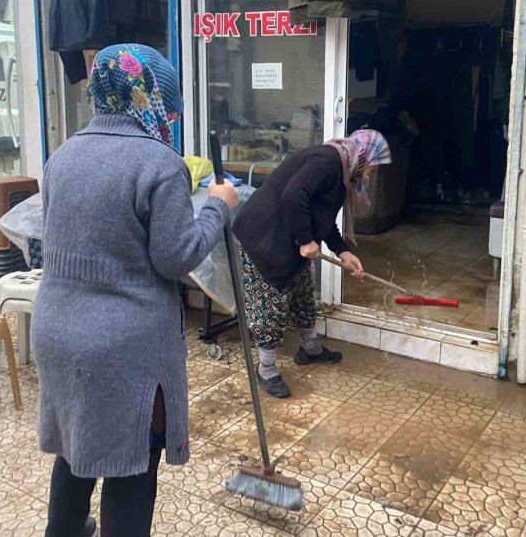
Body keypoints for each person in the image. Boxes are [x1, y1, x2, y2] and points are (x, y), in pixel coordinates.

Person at [31, 44, 238, 537]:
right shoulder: (158, 162)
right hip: (122, 349)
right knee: (131, 464)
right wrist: (218, 207)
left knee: (74, 450)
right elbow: (177, 255)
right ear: (149, 97)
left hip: (57, 334)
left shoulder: (62, 156)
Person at [233, 129, 392, 398]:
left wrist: (343, 251)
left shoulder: (342, 170)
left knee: (303, 292)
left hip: (288, 234)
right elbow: (295, 194)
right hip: (263, 237)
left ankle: (309, 348)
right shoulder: (329, 161)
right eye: (374, 168)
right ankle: (266, 369)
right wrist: (306, 240)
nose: (371, 174)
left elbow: (321, 215)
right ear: (365, 156)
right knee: (270, 302)